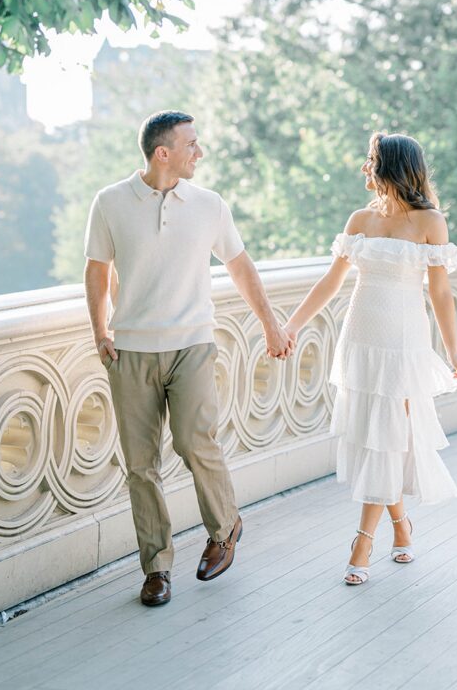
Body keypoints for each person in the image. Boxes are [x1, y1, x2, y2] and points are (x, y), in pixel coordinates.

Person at [83, 110, 294, 607]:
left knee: (195, 441)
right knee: (141, 465)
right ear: (163, 153)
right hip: (131, 349)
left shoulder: (209, 205)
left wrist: (270, 323)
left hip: (193, 345)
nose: (200, 152)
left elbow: (239, 266)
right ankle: (156, 568)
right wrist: (99, 332)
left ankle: (225, 529)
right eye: (191, 144)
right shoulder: (110, 202)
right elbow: (96, 270)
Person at [285, 131, 457, 585]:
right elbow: (331, 282)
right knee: (377, 436)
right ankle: (401, 526)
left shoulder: (430, 222)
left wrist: (453, 349)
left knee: (386, 436)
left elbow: (440, 292)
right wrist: (291, 325)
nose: (364, 167)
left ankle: (362, 542)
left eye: (370, 159)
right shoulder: (359, 219)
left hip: (403, 341)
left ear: (390, 166)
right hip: (360, 337)